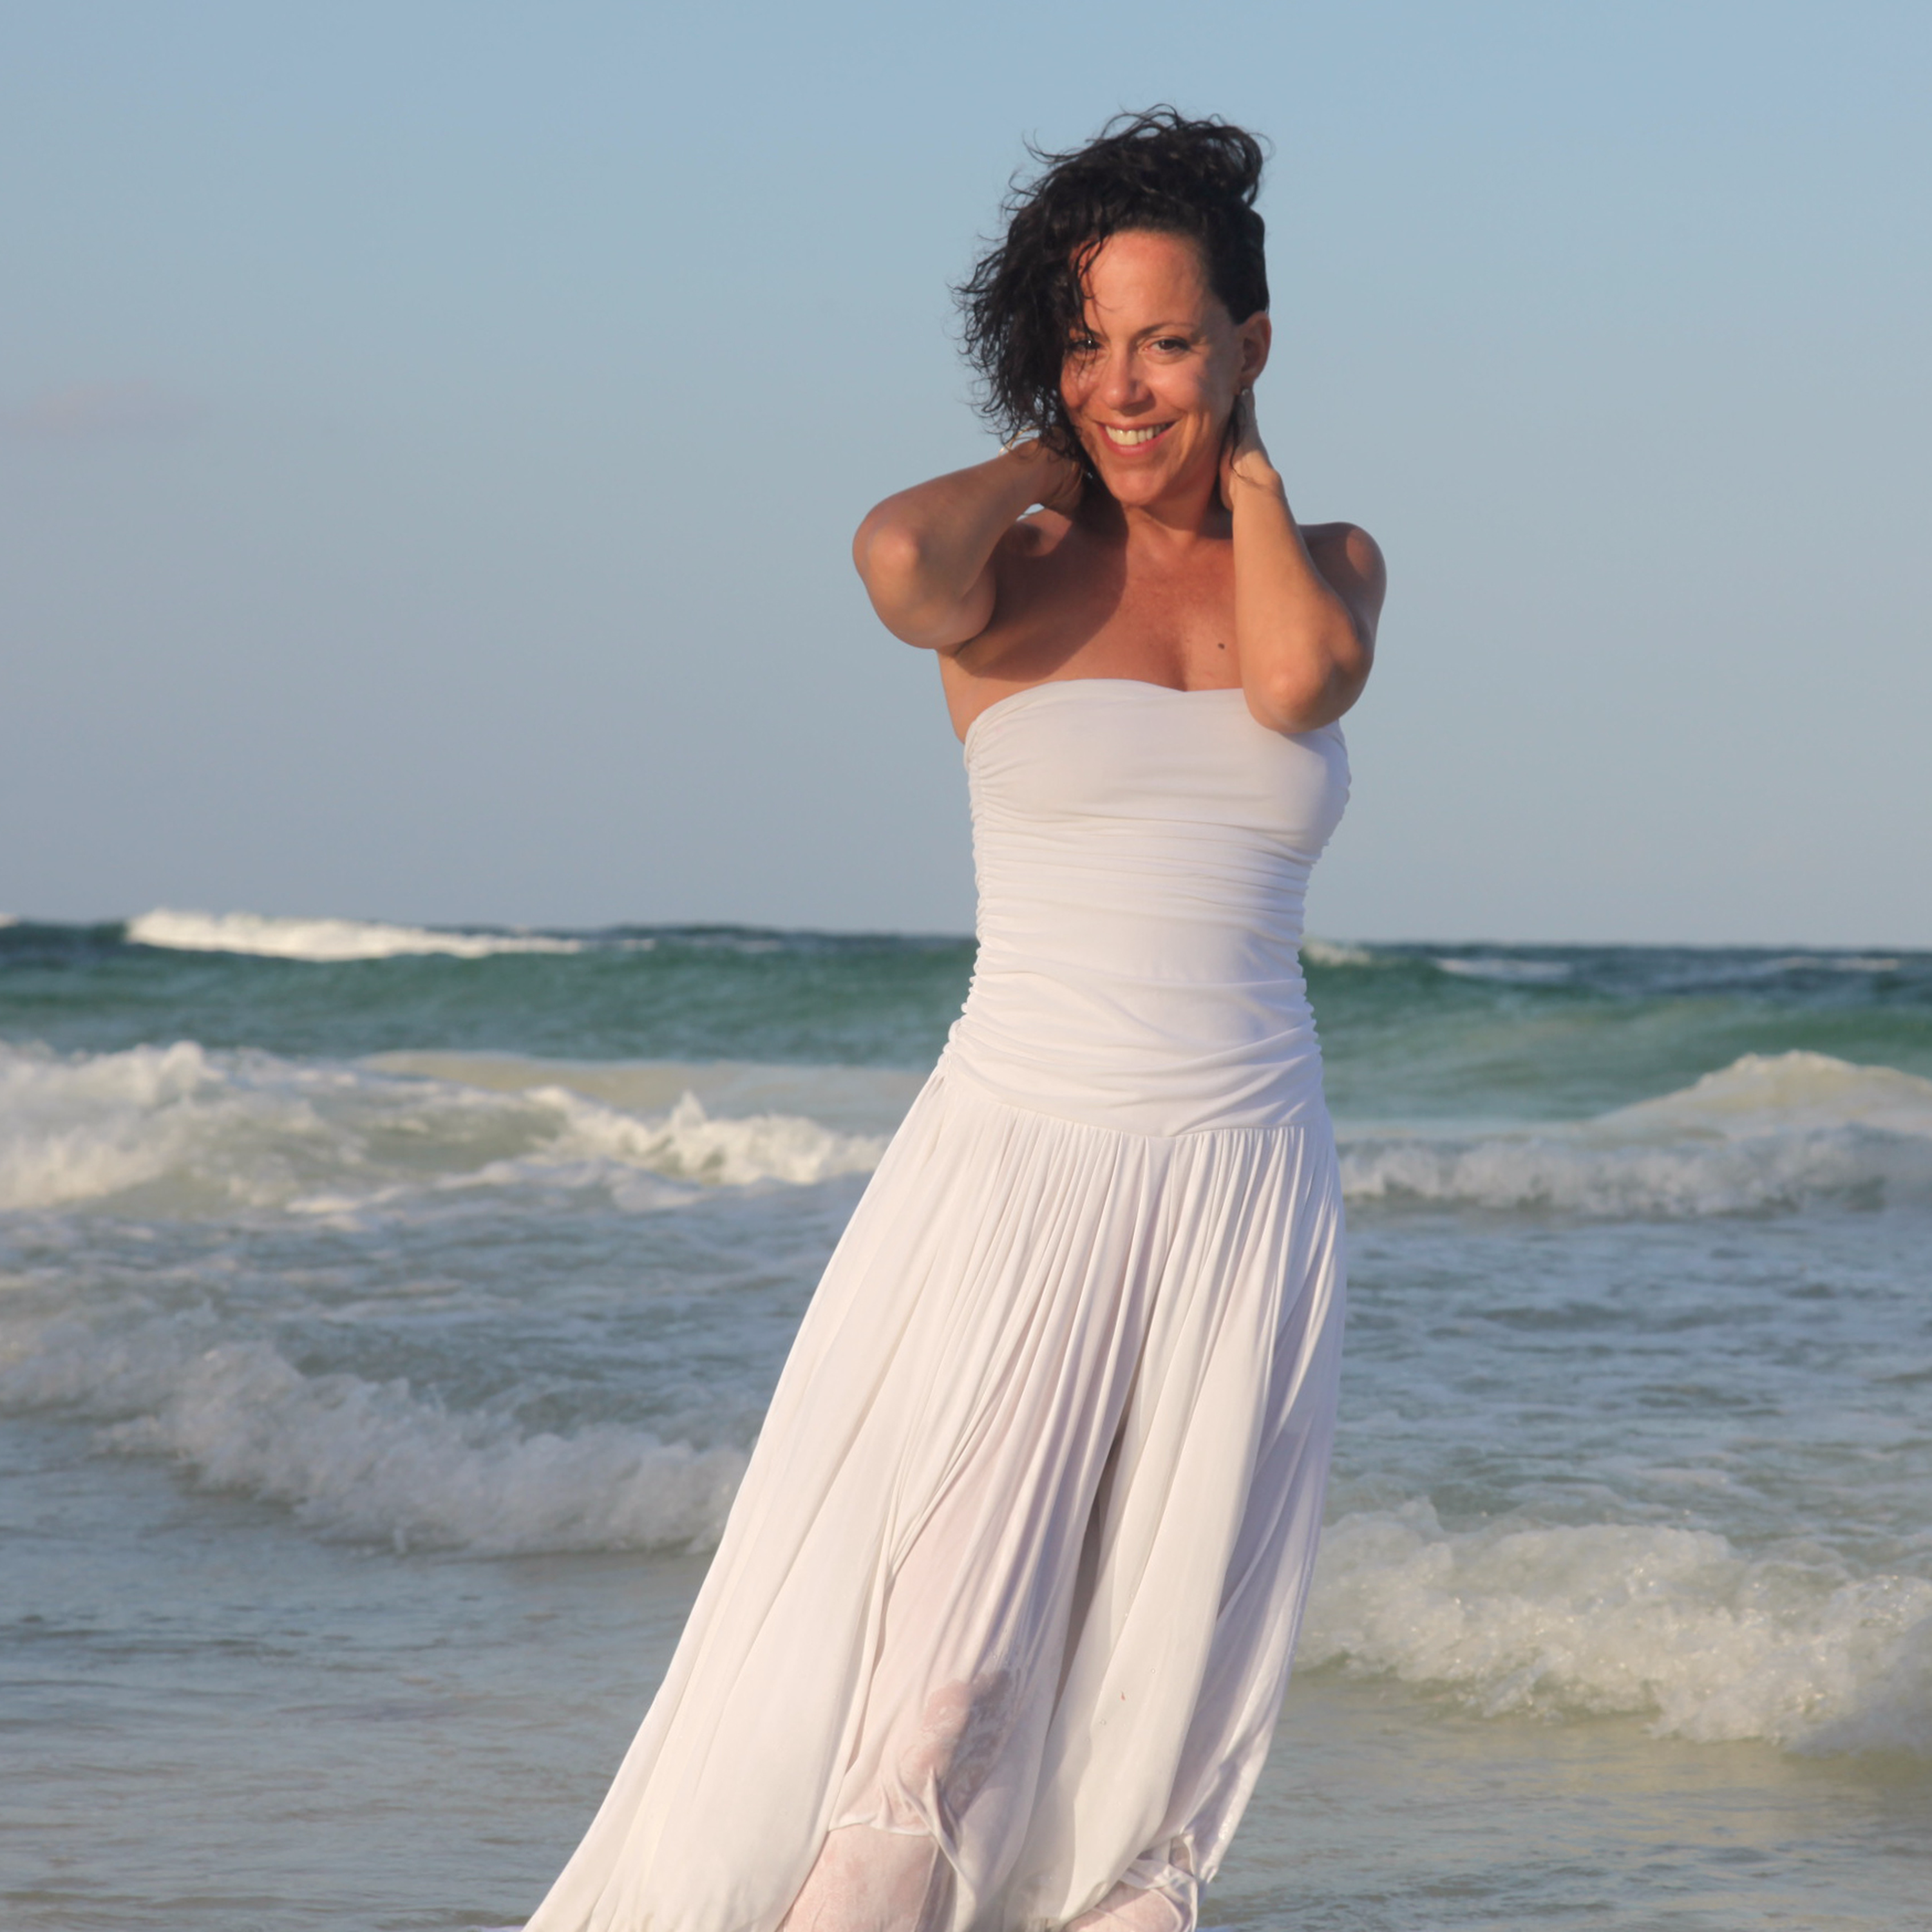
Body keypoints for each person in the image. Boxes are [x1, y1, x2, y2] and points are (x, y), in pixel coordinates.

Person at [525, 108, 1384, 1932]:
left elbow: (1306, 680)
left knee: (1158, 1726)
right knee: (945, 1697)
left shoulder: (1328, 563)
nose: (1125, 384)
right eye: (1085, 343)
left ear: (1250, 340)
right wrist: (1056, 445)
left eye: (1168, 340)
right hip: (1021, 1169)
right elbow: (894, 555)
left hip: (1242, 1181)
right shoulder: (1014, 574)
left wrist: (1236, 471)